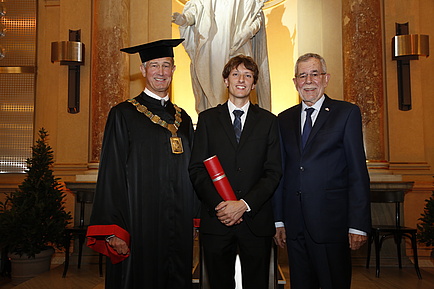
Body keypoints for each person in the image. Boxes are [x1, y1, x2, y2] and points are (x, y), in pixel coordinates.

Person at [86, 39, 198, 289]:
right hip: (138, 225)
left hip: (177, 226)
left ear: (174, 70)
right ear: (143, 69)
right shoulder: (123, 114)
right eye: (154, 66)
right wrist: (115, 229)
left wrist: (193, 217)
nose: (161, 72)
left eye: (166, 65)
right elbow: (111, 173)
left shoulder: (184, 119)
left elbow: (193, 172)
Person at [273, 53, 371, 289]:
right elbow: (281, 172)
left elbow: (357, 171)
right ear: (295, 82)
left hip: (332, 225)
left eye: (314, 74)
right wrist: (278, 220)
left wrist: (357, 224)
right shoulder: (283, 119)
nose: (308, 80)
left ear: (326, 79)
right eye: (302, 75)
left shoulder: (346, 113)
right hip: (294, 226)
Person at [189, 55, 281, 289]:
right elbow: (197, 169)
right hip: (217, 221)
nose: (242, 79)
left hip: (256, 221)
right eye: (236, 74)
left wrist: (244, 204)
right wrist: (221, 206)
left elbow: (273, 171)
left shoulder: (269, 122)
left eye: (248, 75)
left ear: (254, 83)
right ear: (226, 81)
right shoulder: (207, 120)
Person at [172, 0, 271, 113]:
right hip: (212, 47)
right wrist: (185, 20)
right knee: (212, 86)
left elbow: (256, 17)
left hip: (239, 43)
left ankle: (244, 118)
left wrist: (246, 33)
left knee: (241, 77)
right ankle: (214, 117)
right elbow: (196, 10)